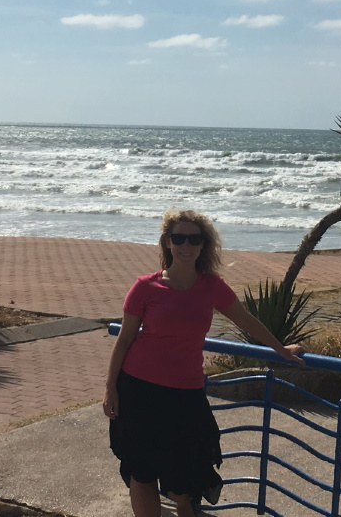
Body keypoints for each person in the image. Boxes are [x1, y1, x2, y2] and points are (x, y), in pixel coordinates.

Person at [103, 208, 305, 517]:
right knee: (141, 472)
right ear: (167, 243)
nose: (186, 246)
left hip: (185, 394)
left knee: (187, 477)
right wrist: (110, 389)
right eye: (179, 238)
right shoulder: (145, 287)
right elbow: (125, 340)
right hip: (137, 389)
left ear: (203, 245)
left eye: (194, 239)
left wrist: (281, 350)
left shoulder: (211, 286)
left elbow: (247, 321)